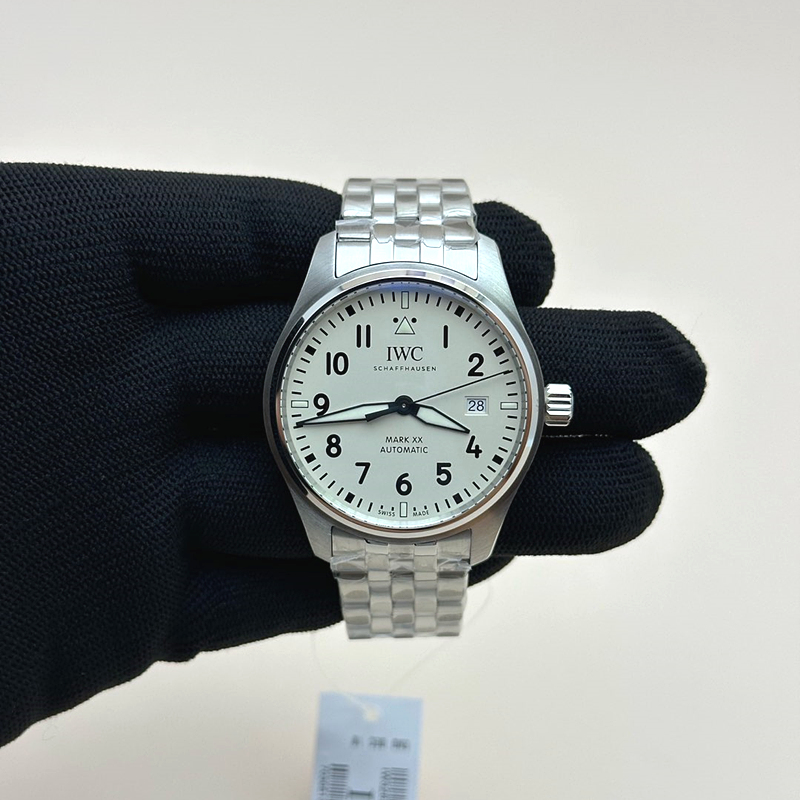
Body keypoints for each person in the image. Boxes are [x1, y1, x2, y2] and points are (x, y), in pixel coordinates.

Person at [0, 164, 706, 747]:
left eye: (413, 405)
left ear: (547, 405)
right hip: (334, 493)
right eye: (396, 405)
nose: (403, 409)